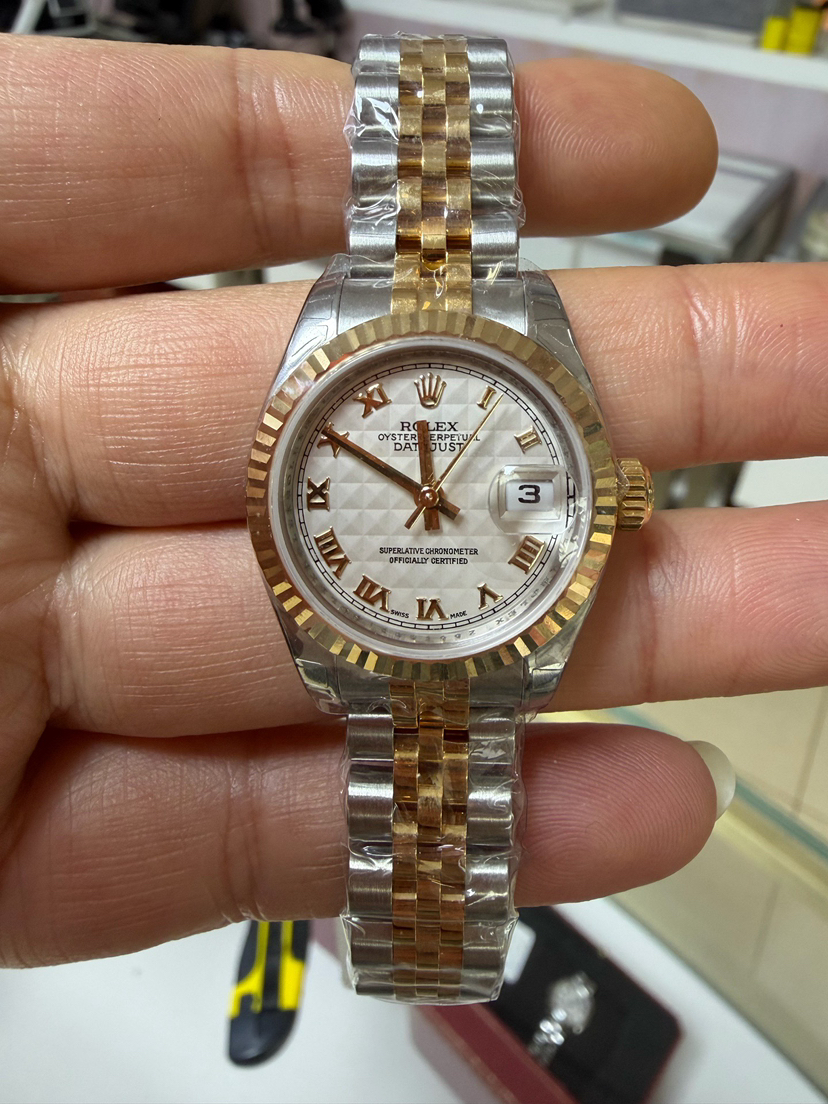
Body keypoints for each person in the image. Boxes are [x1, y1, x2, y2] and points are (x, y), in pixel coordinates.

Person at [0, 32, 823, 969]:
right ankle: (425, 952)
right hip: (411, 621)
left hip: (452, 621)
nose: (432, 502)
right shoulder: (343, 353)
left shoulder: (489, 345)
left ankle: (431, 952)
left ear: (614, 496)